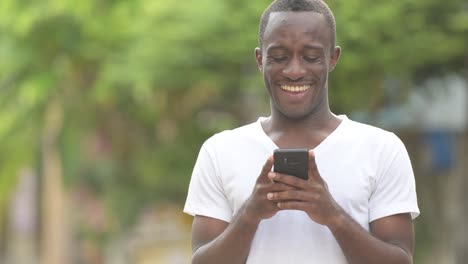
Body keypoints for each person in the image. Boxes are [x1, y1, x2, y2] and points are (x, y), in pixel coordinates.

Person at [183, 0, 420, 263]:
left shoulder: (382, 149)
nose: (294, 71)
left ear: (332, 58)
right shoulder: (220, 151)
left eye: (310, 57)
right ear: (260, 59)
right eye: (279, 57)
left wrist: (332, 215)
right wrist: (250, 214)